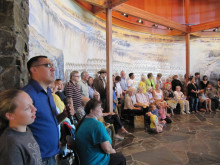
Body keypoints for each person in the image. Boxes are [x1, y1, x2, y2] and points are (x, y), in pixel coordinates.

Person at [23, 56, 74, 164]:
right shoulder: (27, 95)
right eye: (48, 65)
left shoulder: (48, 93)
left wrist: (64, 114)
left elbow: (52, 121)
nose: (53, 69)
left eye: (52, 66)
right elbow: (20, 128)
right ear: (34, 69)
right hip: (38, 158)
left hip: (52, 154)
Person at [75, 99, 126, 165]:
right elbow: (107, 149)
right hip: (94, 161)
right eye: (99, 107)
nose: (102, 109)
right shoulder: (97, 125)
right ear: (91, 111)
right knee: (121, 158)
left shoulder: (83, 121)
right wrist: (113, 151)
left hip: (85, 159)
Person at [0, 89, 42, 165]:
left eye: (32, 104)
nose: (34, 109)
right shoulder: (10, 144)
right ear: (10, 115)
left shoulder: (26, 129)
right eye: (27, 108)